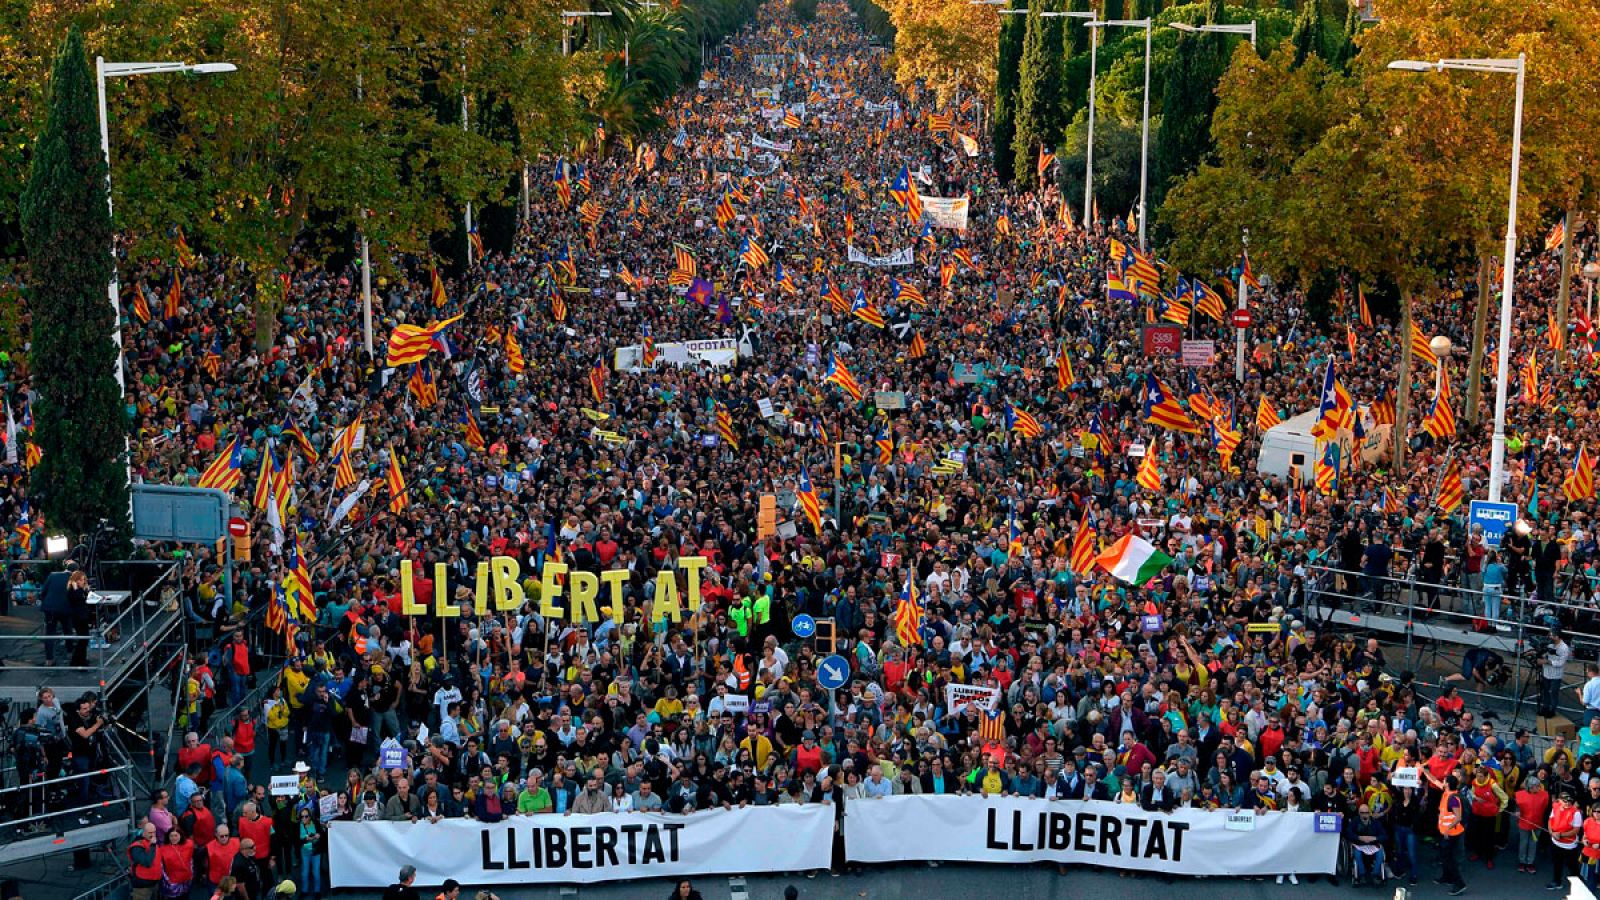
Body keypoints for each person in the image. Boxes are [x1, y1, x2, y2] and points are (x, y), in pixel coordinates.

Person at [1435, 773, 1468, 895]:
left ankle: (1459, 884)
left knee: (1449, 859)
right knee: (1445, 857)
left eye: (1444, 781)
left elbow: (1458, 817)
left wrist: (1448, 829)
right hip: (1446, 832)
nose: (1442, 782)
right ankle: (1447, 877)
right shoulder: (1448, 794)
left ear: (1447, 784)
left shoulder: (1453, 798)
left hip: (1451, 833)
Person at [1347, 804, 1387, 887]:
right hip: (1360, 844)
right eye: (1362, 813)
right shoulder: (1355, 821)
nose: (1364, 815)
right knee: (1357, 853)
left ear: (1370, 813)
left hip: (1373, 843)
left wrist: (1374, 838)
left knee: (1380, 853)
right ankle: (1362, 874)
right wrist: (1359, 837)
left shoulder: (1375, 822)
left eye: (1366, 812)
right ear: (1359, 813)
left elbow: (1384, 835)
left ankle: (1375, 874)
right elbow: (1348, 833)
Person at [1541, 628, 1572, 719]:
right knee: (1545, 692)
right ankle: (1545, 708)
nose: (1549, 637)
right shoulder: (1550, 645)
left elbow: (1561, 663)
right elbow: (1545, 655)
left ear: (1557, 636)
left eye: (1551, 635)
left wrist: (1547, 661)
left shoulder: (1564, 648)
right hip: (1546, 673)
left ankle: (1552, 710)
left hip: (1556, 675)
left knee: (1553, 693)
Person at [129, 820, 163, 900]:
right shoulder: (136, 846)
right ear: (143, 832)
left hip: (154, 882)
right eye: (150, 833)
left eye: (154, 832)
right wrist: (152, 845)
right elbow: (147, 862)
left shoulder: (152, 843)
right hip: (142, 886)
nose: (153, 835)